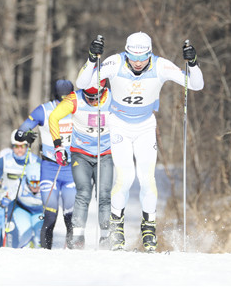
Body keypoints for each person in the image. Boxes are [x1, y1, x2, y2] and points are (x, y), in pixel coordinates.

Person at [76, 32, 204, 252]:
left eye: (142, 58)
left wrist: (192, 63)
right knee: (125, 177)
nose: (137, 63)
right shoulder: (115, 62)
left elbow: (196, 85)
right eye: (132, 57)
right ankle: (117, 226)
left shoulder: (160, 65)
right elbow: (82, 82)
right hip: (118, 125)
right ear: (126, 53)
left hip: (145, 126)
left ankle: (149, 226)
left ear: (149, 53)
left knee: (147, 178)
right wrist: (91, 59)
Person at [48, 78, 112, 249]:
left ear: (104, 91)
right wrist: (58, 146)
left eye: (95, 97)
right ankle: (77, 236)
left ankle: (106, 237)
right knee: (83, 192)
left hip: (105, 154)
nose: (91, 101)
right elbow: (53, 117)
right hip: (81, 154)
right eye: (88, 97)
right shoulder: (75, 99)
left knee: (104, 194)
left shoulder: (113, 98)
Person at [14, 79, 75, 249]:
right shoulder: (44, 110)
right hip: (50, 168)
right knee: (50, 215)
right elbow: (20, 133)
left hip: (71, 169)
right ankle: (45, 253)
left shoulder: (77, 109)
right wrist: (26, 135)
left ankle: (75, 254)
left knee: (71, 217)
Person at [0, 131, 40, 247]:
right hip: (9, 200)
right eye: (16, 146)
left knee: (31, 235)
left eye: (23, 146)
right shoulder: (4, 161)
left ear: (27, 147)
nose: (19, 150)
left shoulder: (34, 160)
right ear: (12, 147)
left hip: (29, 202)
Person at [2, 161, 44, 248]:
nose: (35, 186)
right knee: (26, 233)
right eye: (32, 182)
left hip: (39, 212)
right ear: (27, 180)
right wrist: (5, 200)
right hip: (23, 209)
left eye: (38, 182)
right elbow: (10, 194)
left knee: (39, 237)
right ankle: (23, 254)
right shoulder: (20, 183)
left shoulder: (46, 185)